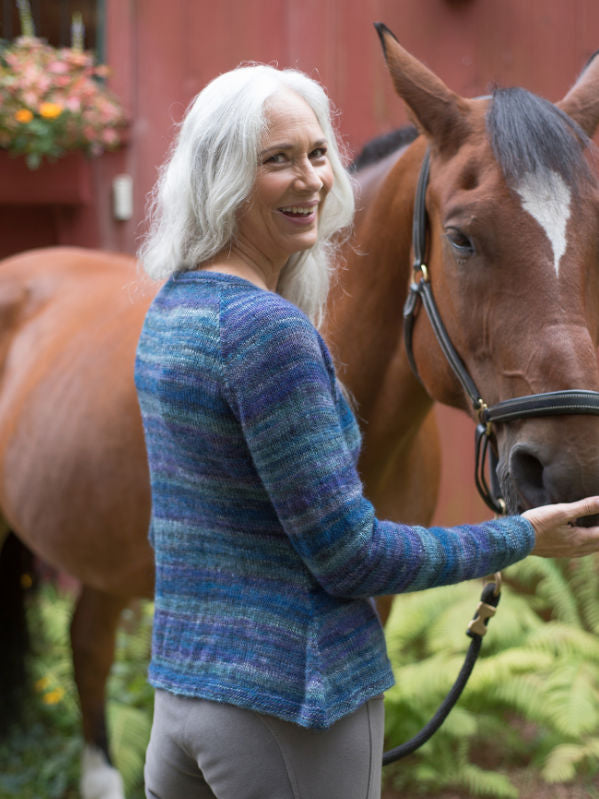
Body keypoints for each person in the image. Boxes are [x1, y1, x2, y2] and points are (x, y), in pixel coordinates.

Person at [134, 63, 599, 799]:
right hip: (292, 709)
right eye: (277, 159)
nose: (312, 178)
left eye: (318, 153)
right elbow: (349, 556)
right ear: (221, 176)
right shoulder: (268, 332)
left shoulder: (176, 308)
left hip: (183, 700)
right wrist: (519, 537)